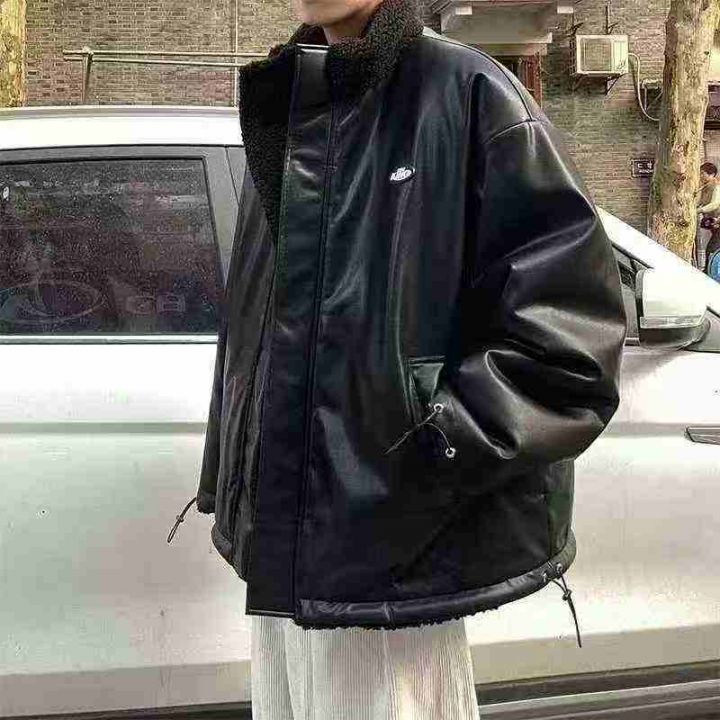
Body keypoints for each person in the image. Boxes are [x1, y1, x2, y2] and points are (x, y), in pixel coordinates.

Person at [167, 0, 626, 717]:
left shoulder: (469, 95)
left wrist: (424, 452)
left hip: (394, 550)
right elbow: (256, 329)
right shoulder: (290, 98)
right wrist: (235, 475)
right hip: (288, 552)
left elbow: (570, 343)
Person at [696, 162, 720, 271]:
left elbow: (715, 204)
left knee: (711, 250)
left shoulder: (717, 186)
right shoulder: (705, 188)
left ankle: (708, 272)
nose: (701, 176)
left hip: (718, 222)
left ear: (712, 174)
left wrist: (699, 210)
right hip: (713, 223)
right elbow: (699, 202)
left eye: (703, 173)